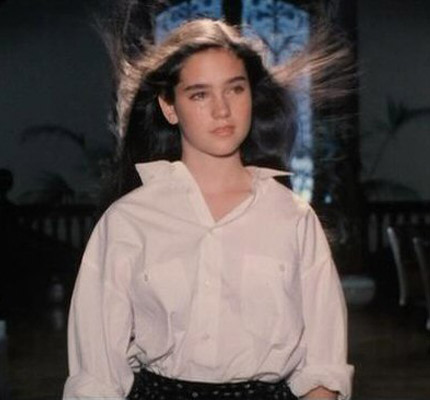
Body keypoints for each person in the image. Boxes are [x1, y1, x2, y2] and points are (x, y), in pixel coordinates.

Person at [63, 18, 353, 400]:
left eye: (235, 89)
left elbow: (324, 367)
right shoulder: (128, 222)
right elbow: (96, 376)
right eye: (199, 94)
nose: (222, 110)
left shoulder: (293, 219)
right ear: (169, 107)